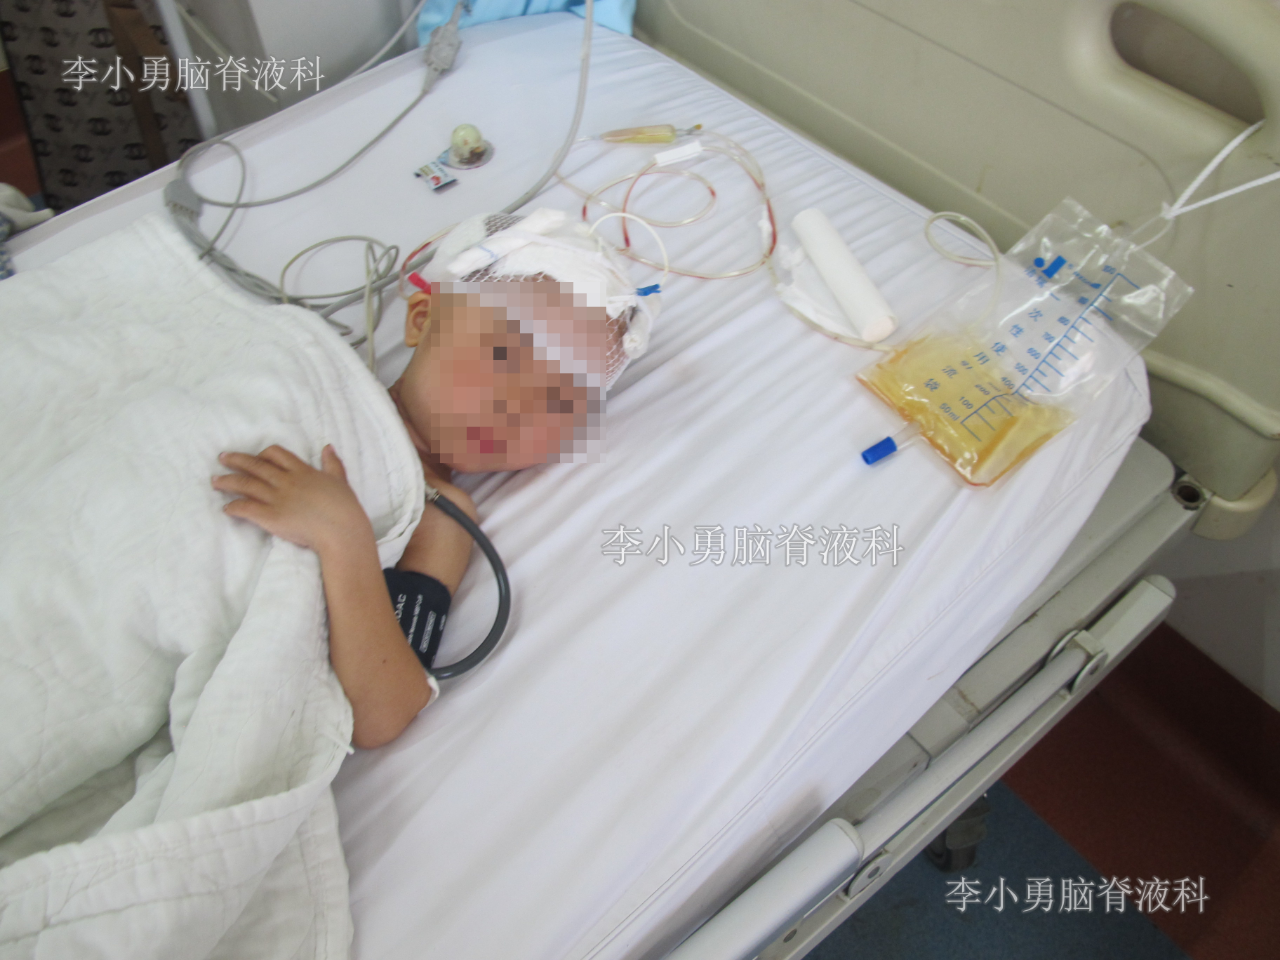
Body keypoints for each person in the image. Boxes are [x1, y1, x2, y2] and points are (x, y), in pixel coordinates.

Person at [212, 209, 656, 748]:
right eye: (502, 354)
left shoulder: (440, 517)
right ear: (422, 318)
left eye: (559, 401)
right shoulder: (314, 370)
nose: (515, 406)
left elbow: (382, 713)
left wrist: (342, 536)